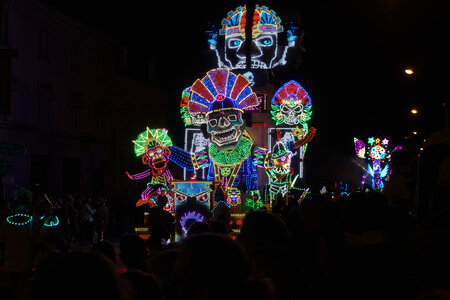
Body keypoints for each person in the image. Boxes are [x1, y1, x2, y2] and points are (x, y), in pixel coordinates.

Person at [0, 187, 40, 299]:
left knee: (13, 290)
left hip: (10, 263)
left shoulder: (5, 223)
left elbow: (2, 244)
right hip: (26, 263)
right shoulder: (32, 223)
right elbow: (37, 245)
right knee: (23, 291)